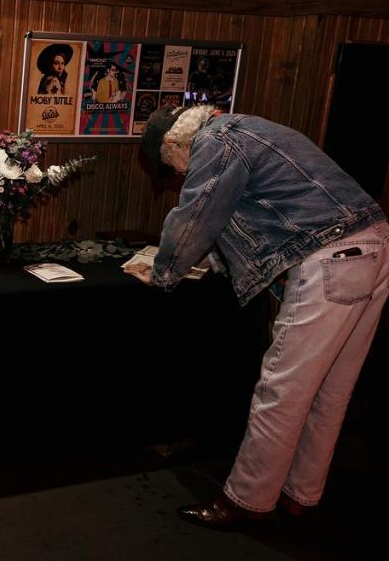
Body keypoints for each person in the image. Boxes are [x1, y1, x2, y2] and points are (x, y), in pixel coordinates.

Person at [127, 104, 389, 530]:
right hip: (373, 247)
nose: (177, 175)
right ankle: (300, 494)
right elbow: (243, 218)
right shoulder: (246, 128)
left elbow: (196, 215)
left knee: (280, 389)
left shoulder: (215, 142)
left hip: (331, 257)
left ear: (175, 144)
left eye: (171, 167)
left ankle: (248, 499)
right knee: (330, 389)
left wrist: (163, 272)